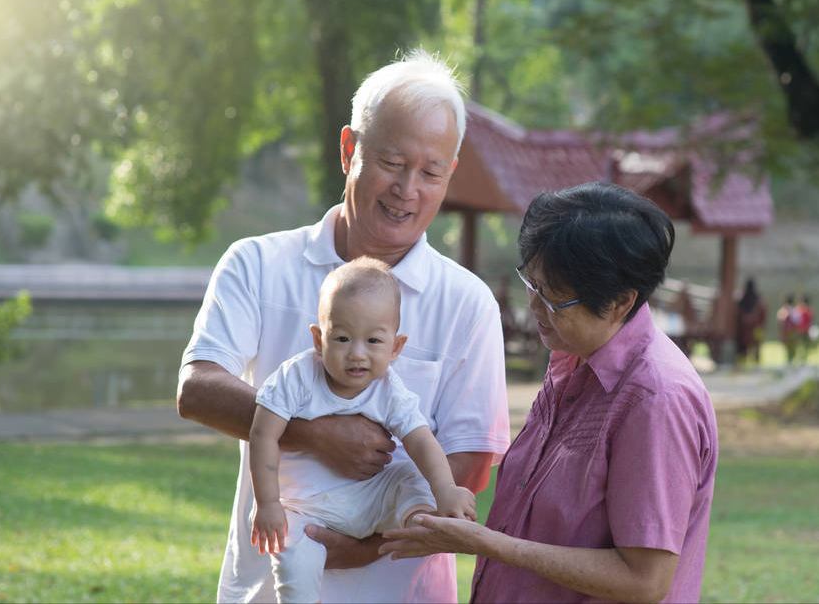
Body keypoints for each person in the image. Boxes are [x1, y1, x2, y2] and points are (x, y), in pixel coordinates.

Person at [177, 49, 510, 603]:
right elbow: (196, 389)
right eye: (392, 161)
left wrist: (366, 543)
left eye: (430, 172)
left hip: (402, 589)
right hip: (265, 586)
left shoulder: (467, 303)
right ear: (348, 149)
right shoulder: (258, 264)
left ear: (450, 174)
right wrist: (314, 433)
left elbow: (470, 463)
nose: (408, 188)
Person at [380, 182, 719, 603]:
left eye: (554, 299)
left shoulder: (656, 399)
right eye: (532, 284)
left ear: (620, 303)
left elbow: (644, 580)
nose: (535, 308)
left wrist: (485, 543)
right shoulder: (572, 356)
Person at [249, 257, 476, 602]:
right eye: (341, 338)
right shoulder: (295, 378)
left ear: (396, 347)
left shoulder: (389, 389)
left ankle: (420, 520)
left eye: (373, 341)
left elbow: (420, 439)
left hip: (370, 501)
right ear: (318, 338)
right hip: (304, 507)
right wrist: (266, 503)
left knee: (411, 476)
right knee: (294, 558)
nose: (356, 354)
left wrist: (445, 489)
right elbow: (263, 434)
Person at [735, 278, 767, 365]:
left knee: (743, 350)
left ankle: (742, 363)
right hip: (756, 328)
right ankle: (756, 363)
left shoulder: (742, 300)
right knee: (756, 347)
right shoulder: (759, 300)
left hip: (743, 330)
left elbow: (737, 314)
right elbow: (763, 314)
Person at [776, 294, 801, 365]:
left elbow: (780, 323)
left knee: (788, 350)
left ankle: (789, 362)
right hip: (792, 333)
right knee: (792, 350)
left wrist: (781, 333)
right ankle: (790, 362)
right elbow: (797, 323)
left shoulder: (782, 311)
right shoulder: (794, 311)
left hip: (786, 333)